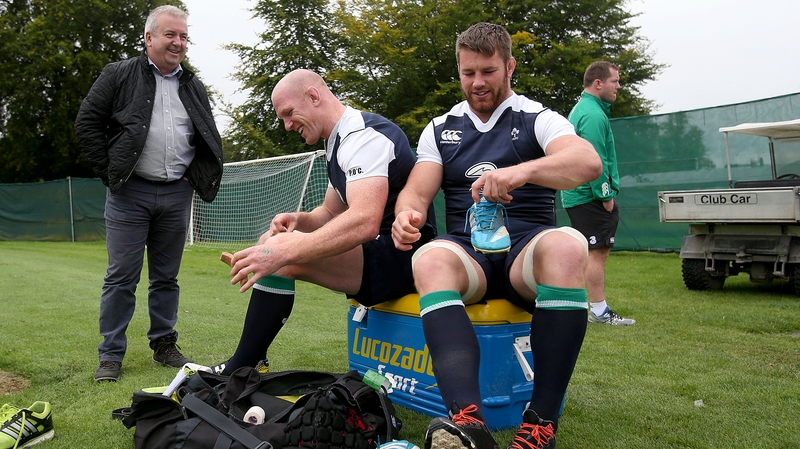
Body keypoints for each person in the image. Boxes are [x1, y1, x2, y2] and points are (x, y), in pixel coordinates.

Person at [391, 23, 602, 449]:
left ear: (510, 66)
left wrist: (522, 171)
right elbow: (416, 190)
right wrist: (405, 214)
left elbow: (587, 162)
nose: (477, 82)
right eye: (468, 72)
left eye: (488, 71)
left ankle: (540, 422)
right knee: (428, 258)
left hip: (527, 249)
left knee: (566, 244)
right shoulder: (440, 127)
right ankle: (467, 424)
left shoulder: (538, 118)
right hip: (471, 251)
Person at [216, 69, 436, 375]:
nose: (287, 125)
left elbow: (364, 222)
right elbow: (330, 213)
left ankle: (241, 367)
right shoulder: (337, 140)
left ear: (314, 96)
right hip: (377, 253)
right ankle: (254, 361)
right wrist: (298, 220)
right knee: (271, 241)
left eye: (289, 113)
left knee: (278, 254)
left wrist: (285, 251)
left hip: (405, 258)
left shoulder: (362, 135)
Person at [75, 5, 224, 383]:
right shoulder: (118, 74)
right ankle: (110, 356)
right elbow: (87, 122)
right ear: (149, 38)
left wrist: (195, 176)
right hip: (130, 193)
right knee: (121, 277)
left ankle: (164, 346)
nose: (178, 42)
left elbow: (206, 133)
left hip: (177, 193)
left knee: (166, 278)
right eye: (170, 35)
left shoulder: (193, 85)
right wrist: (111, 173)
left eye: (184, 36)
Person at [561, 61, 635, 326]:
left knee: (590, 252)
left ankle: (587, 307)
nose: (618, 86)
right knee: (596, 252)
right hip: (589, 195)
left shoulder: (588, 109)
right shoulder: (592, 114)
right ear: (598, 83)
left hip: (580, 194)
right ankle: (599, 311)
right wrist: (605, 196)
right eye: (615, 81)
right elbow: (594, 159)